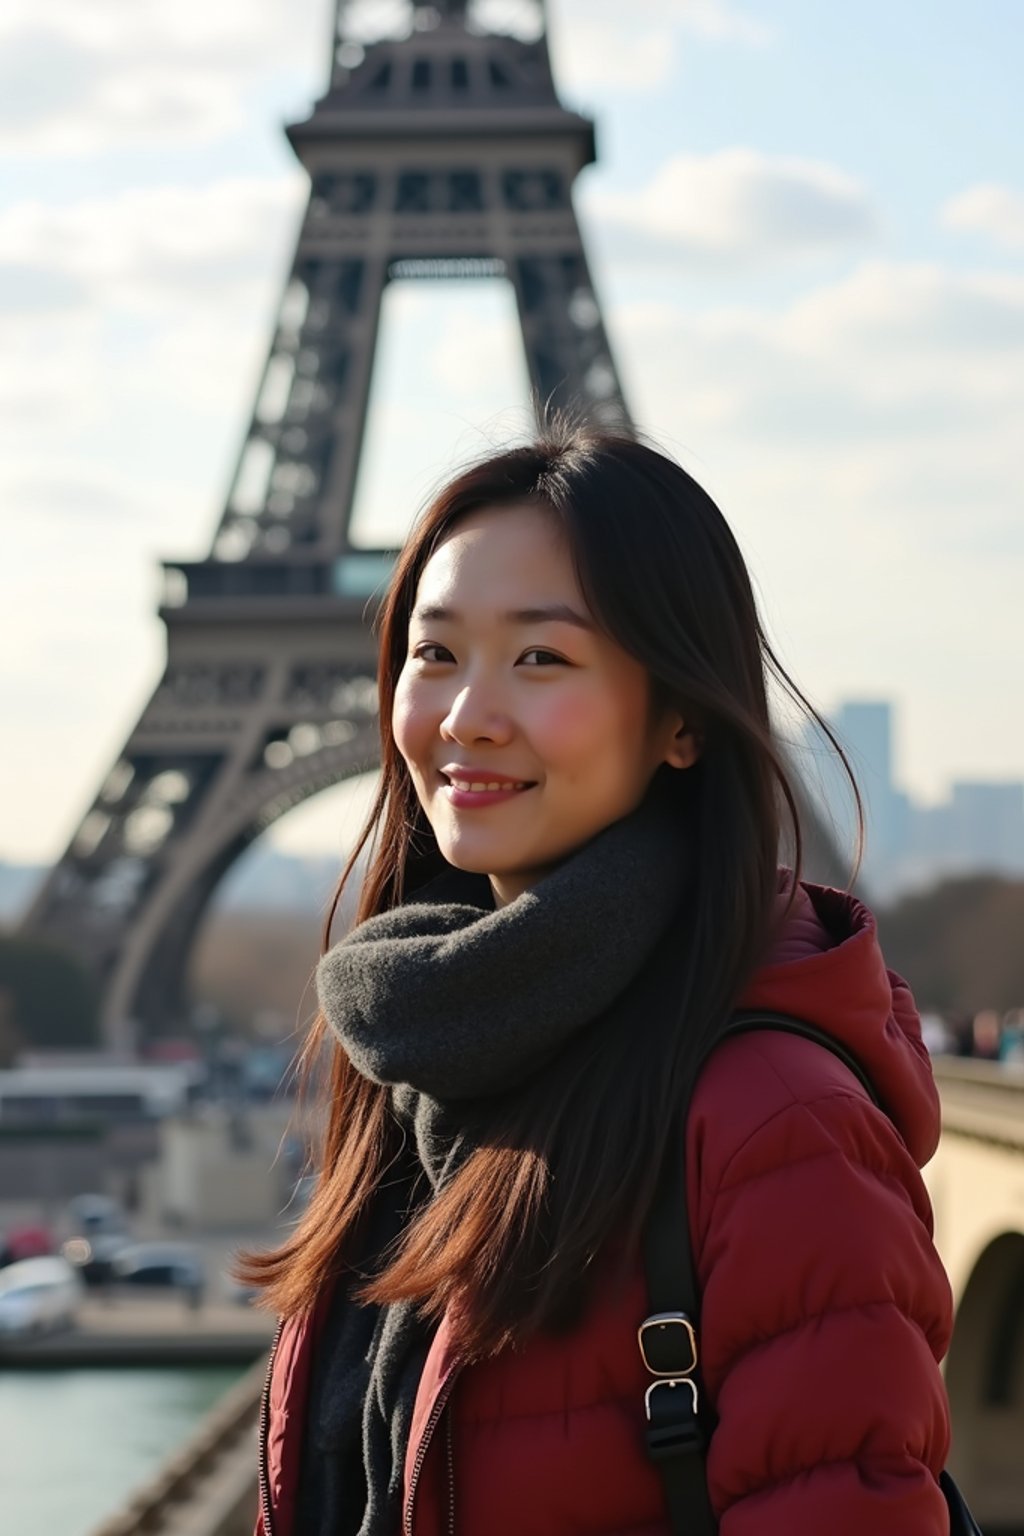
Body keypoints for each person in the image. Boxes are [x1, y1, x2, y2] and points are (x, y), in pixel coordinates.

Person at [239, 423, 954, 1536]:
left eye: (542, 658)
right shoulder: (415, 1054)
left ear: (678, 720)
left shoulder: (776, 1122)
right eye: (435, 654)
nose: (468, 714)